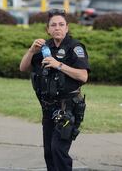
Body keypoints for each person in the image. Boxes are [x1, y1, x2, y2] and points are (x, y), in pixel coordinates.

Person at [19, 9, 89, 171]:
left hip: (67, 108)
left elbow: (83, 76)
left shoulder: (74, 47)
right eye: (53, 25)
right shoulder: (45, 48)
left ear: (67, 27)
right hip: (48, 108)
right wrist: (31, 51)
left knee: (59, 150)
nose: (57, 28)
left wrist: (59, 65)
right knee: (49, 152)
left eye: (61, 25)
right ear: (48, 29)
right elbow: (23, 68)